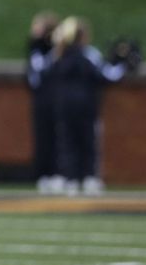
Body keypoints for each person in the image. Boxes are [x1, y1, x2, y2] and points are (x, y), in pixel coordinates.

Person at [46, 16, 134, 195]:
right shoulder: (88, 54)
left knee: (67, 141)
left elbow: (44, 74)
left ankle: (69, 179)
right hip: (86, 105)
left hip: (64, 106)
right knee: (87, 141)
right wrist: (122, 64)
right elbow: (106, 75)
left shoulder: (58, 54)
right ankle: (89, 178)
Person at [25, 11, 60, 193]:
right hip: (40, 98)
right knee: (42, 137)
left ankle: (56, 173)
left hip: (53, 98)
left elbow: (47, 69)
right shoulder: (34, 47)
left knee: (56, 136)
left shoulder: (55, 49)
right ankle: (43, 174)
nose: (33, 30)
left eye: (37, 26)